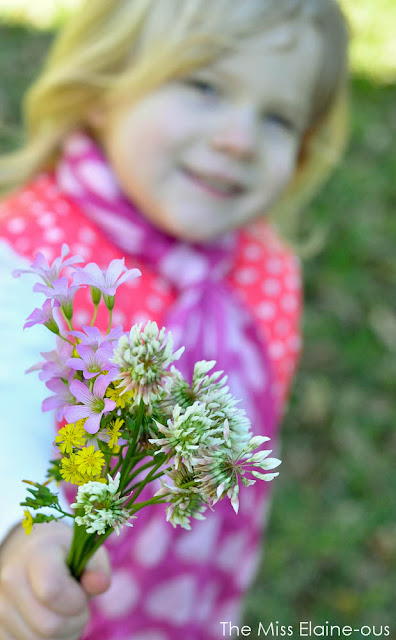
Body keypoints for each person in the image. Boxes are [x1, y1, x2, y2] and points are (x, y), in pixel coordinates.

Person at [0, 0, 348, 638]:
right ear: (102, 87)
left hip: (185, 595)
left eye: (278, 117)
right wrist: (15, 541)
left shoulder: (262, 270)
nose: (239, 139)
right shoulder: (28, 256)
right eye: (205, 86)